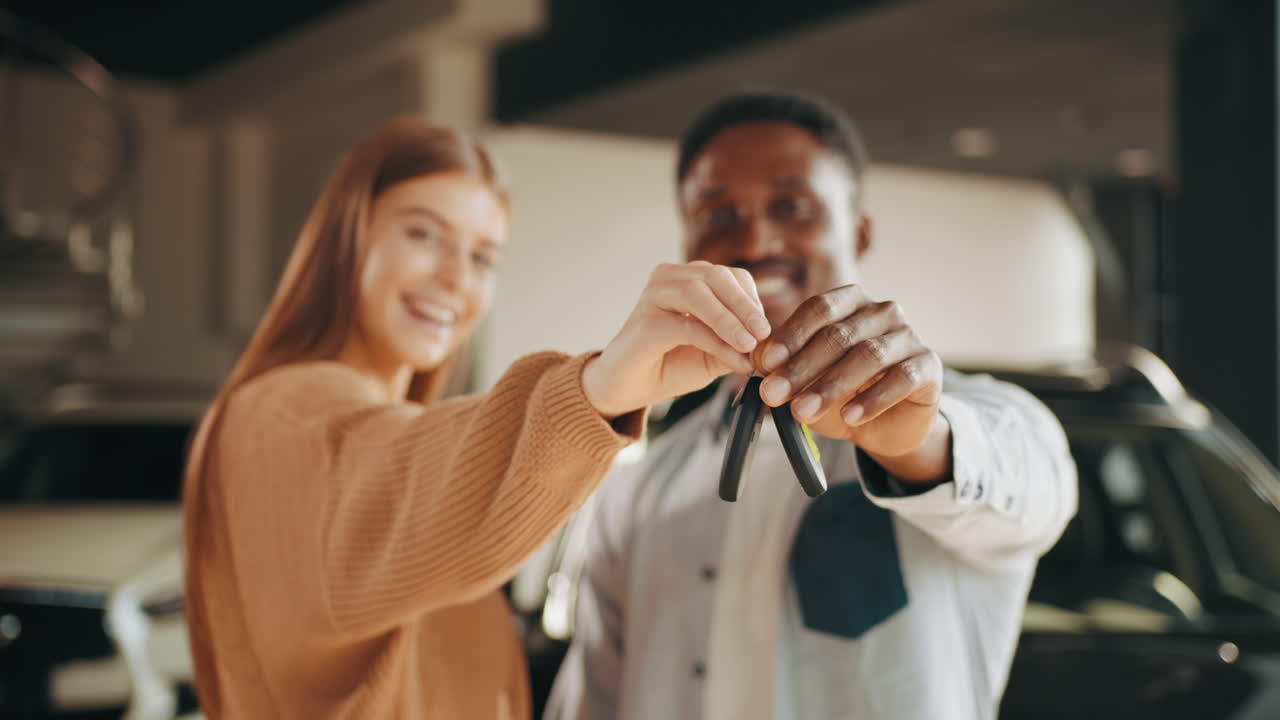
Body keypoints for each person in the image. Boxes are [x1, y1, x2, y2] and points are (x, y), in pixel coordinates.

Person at [181, 115, 776, 719]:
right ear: (347, 237)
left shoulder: (361, 419)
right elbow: (392, 474)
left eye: (483, 257)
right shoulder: (287, 418)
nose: (455, 279)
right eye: (424, 235)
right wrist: (596, 390)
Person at [546, 91, 1078, 720]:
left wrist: (915, 442)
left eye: (791, 206)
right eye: (718, 215)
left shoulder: (976, 417)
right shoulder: (639, 488)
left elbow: (1034, 490)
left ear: (858, 231)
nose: (755, 238)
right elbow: (593, 698)